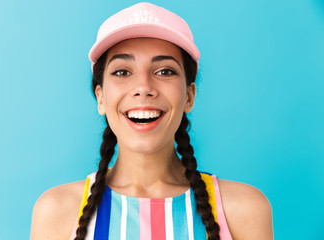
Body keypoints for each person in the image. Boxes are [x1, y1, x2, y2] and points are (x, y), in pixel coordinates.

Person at [30, 2, 273, 240]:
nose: (143, 88)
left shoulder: (244, 210)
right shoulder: (56, 211)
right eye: (122, 72)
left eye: (165, 71)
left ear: (189, 96)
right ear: (101, 97)